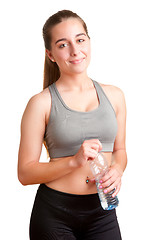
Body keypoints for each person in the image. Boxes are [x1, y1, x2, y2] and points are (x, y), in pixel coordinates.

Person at [18, 9, 127, 240]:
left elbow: (120, 151)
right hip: (54, 214)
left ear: (88, 42)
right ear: (50, 54)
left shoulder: (114, 96)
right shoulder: (41, 103)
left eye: (80, 40)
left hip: (103, 211)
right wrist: (74, 162)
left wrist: (117, 170)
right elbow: (25, 173)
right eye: (62, 44)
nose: (75, 50)